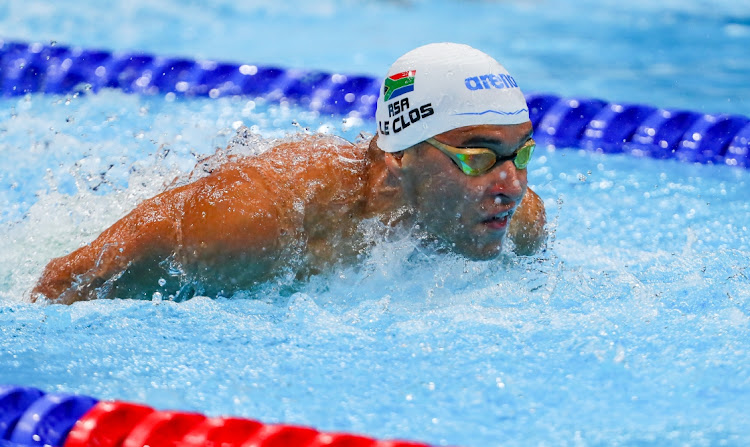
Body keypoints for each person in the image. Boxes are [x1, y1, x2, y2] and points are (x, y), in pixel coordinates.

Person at [31, 42, 546, 305]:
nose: (511, 186)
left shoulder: (513, 220)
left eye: (520, 154)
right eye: (477, 158)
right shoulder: (257, 218)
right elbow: (63, 282)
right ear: (399, 156)